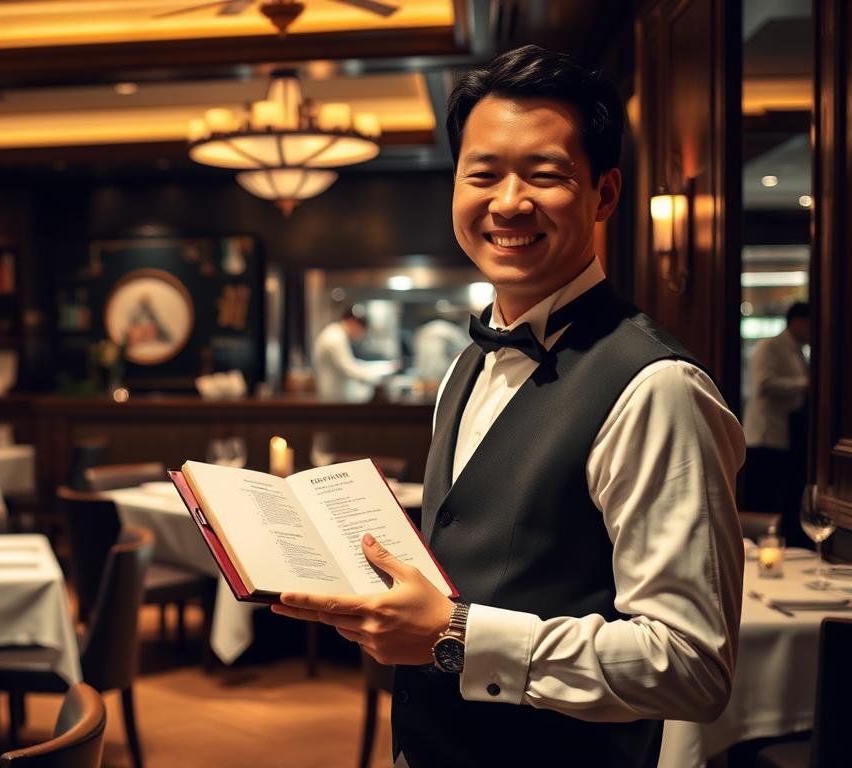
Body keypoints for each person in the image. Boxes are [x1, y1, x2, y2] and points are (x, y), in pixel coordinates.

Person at [273, 45, 744, 768]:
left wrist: (456, 635)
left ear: (604, 195)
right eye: (483, 173)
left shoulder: (658, 388)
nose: (508, 202)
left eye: (546, 174)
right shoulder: (467, 365)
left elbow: (689, 664)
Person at [741, 301, 811, 537]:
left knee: (781, 499)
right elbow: (764, 385)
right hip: (764, 436)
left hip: (785, 435)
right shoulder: (770, 346)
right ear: (798, 322)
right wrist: (804, 384)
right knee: (763, 499)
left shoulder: (797, 350)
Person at [310, 307, 396, 402]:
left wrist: (383, 366)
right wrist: (380, 373)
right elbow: (349, 369)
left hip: (335, 397)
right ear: (352, 322)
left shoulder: (337, 334)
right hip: (332, 399)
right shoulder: (335, 338)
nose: (360, 335)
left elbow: (352, 364)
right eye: (361, 329)